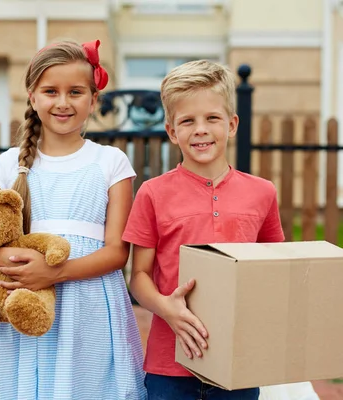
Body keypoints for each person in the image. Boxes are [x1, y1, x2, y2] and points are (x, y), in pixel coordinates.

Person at [0, 39, 146, 400]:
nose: (63, 102)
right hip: (19, 300)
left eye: (75, 92)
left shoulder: (111, 163)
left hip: (89, 306)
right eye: (50, 91)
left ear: (93, 99)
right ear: (32, 97)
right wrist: (9, 263)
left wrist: (54, 272)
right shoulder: (8, 166)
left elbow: (117, 252)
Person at [122, 59, 285, 400]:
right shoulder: (152, 193)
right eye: (187, 121)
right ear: (171, 131)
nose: (200, 129)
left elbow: (275, 269)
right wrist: (168, 308)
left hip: (238, 363)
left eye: (212, 118)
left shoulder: (262, 192)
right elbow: (138, 276)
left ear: (232, 124)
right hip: (170, 364)